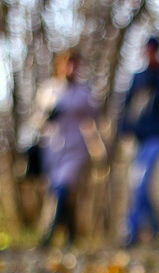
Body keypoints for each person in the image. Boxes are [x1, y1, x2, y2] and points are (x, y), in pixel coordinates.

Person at [120, 36, 159, 247]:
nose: (150, 54)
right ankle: (155, 228)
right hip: (139, 138)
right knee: (138, 186)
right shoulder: (138, 77)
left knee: (141, 182)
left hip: (157, 136)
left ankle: (131, 233)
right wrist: (123, 129)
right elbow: (127, 105)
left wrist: (158, 86)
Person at [38, 52, 98, 248]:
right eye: (68, 65)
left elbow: (95, 121)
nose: (72, 70)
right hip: (52, 149)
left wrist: (99, 150)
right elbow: (37, 120)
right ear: (61, 67)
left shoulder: (84, 92)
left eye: (75, 65)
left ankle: (49, 235)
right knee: (57, 192)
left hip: (75, 149)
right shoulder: (49, 90)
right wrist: (48, 114)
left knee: (63, 188)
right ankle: (71, 235)